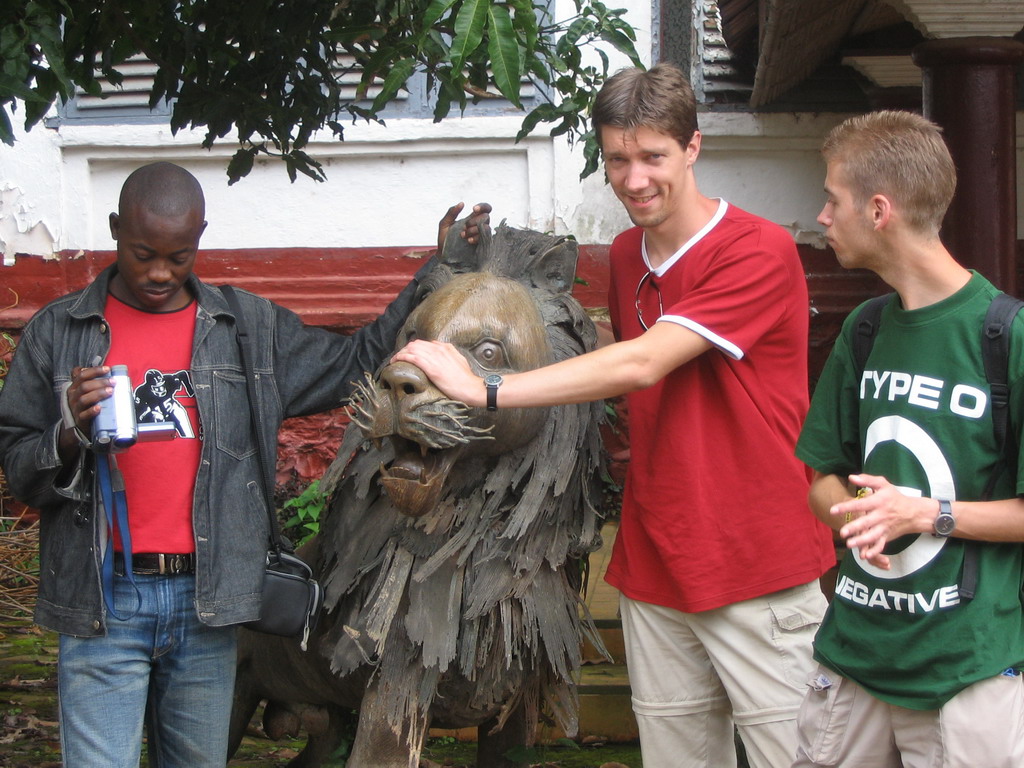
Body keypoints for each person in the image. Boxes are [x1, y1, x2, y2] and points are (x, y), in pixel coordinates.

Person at [394, 62, 834, 768]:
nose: (634, 180)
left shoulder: (756, 249)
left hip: (760, 562)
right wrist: (513, 309)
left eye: (654, 157)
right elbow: (618, 350)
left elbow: (644, 363)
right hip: (660, 558)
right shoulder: (630, 252)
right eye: (618, 160)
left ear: (693, 149)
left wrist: (487, 386)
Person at [0, 161, 489, 767]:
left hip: (209, 599)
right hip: (104, 599)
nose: (159, 272)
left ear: (200, 238)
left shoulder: (246, 330)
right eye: (141, 252)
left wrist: (431, 276)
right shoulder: (59, 332)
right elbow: (19, 466)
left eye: (178, 257)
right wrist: (70, 431)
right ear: (113, 230)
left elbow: (355, 360)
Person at [792, 110, 1024, 768]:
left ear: (879, 209)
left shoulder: (1008, 337)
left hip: (968, 671)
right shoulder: (865, 330)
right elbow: (822, 479)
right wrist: (857, 513)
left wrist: (925, 513)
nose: (823, 218)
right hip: (855, 660)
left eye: (833, 200)